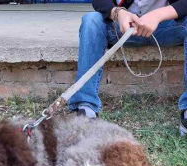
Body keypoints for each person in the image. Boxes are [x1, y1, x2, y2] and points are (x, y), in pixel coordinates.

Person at [69, 0, 187, 136]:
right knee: (91, 20)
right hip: (123, 27)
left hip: (165, 27)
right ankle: (86, 109)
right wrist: (118, 13)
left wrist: (158, 15)